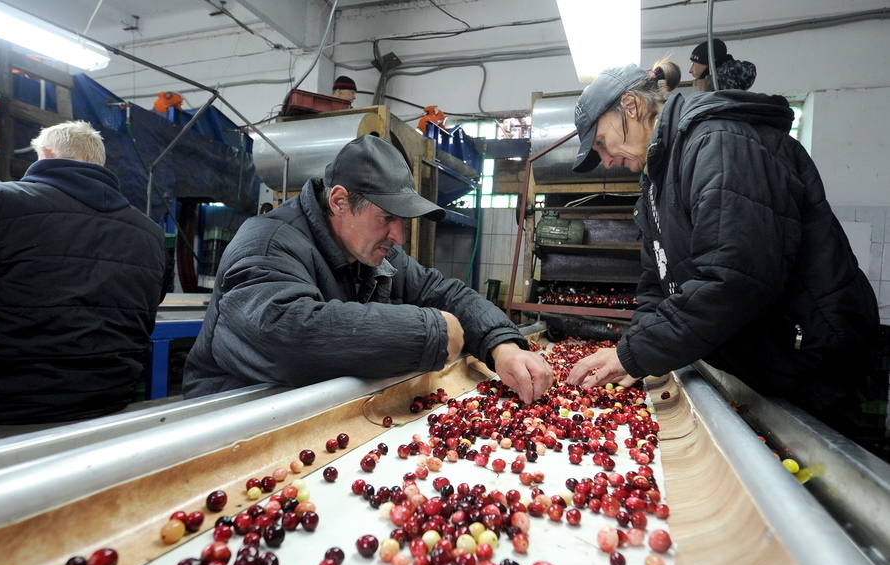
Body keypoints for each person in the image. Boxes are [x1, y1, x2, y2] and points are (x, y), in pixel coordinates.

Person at [566, 62, 879, 440]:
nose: (607, 160)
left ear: (631, 106)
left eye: (601, 143)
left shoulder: (719, 143)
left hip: (811, 366)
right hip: (765, 368)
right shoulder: (656, 180)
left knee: (818, 490)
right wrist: (638, 356)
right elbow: (657, 284)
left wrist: (632, 354)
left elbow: (735, 278)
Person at [183, 135, 553, 401]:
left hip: (312, 408)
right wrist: (429, 333)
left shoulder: (373, 252)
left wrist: (502, 346)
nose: (400, 236)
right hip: (232, 420)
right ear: (340, 201)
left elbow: (443, 293)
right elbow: (284, 334)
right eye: (388, 218)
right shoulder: (268, 242)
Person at [0, 121, 168, 424]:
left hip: (6, 406)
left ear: (45, 153)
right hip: (108, 400)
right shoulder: (151, 233)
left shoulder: (0, 201)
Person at [689, 38, 757, 91]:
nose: (690, 70)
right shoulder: (729, 83)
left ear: (709, 63)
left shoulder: (719, 86)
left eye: (693, 64)